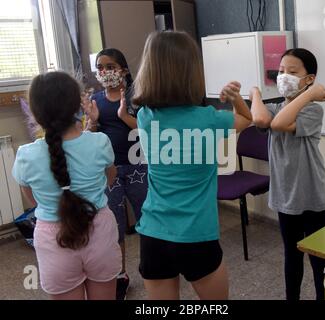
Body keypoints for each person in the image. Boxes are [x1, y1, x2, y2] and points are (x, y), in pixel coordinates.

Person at [132, 30, 252, 300]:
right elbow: (247, 118)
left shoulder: (145, 117)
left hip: (153, 234)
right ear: (192, 72)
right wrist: (234, 97)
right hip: (196, 235)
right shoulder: (210, 119)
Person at [12, 71, 121, 300]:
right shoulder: (100, 142)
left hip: (53, 237)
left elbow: (30, 195)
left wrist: (56, 205)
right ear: (76, 106)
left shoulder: (26, 155)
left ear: (35, 112)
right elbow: (109, 179)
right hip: (99, 227)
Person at [250, 48, 325, 300]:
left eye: (292, 72)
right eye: (281, 71)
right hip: (286, 199)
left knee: (322, 259)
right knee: (292, 256)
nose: (284, 76)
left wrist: (309, 96)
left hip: (313, 198)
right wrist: (254, 93)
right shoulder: (276, 107)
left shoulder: (313, 110)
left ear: (309, 79)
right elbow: (262, 120)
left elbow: (279, 124)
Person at [82, 48, 148, 300]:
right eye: (100, 67)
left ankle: (151, 264)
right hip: (108, 171)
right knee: (115, 226)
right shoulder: (95, 100)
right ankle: (120, 275)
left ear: (123, 70)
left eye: (110, 66)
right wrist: (94, 121)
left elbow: (149, 131)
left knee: (147, 219)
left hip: (138, 167)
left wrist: (124, 116)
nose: (105, 72)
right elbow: (89, 138)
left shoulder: (137, 97)